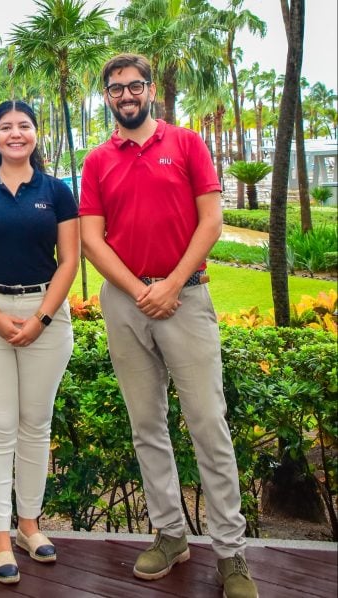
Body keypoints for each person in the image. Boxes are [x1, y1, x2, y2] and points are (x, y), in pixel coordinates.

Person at [79, 54, 258, 598]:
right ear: (106, 95)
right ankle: (170, 534)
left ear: (150, 89)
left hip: (186, 299)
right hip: (126, 303)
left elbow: (212, 220)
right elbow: (92, 237)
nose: (126, 96)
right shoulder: (97, 160)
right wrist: (139, 291)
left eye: (135, 86)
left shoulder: (186, 144)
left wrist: (172, 284)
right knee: (147, 426)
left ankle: (231, 553)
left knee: (208, 424)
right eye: (116, 89)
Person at [0, 100, 79, 584]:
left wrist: (41, 319)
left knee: (35, 424)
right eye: (5, 127)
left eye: (23, 125)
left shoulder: (56, 191)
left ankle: (29, 524)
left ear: (36, 134)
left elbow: (68, 260)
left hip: (46, 315)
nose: (15, 133)